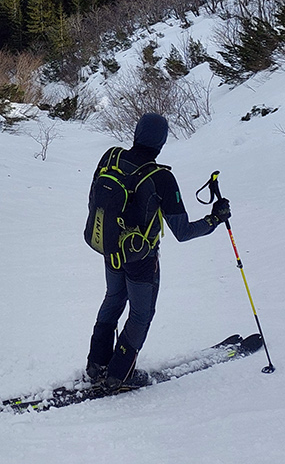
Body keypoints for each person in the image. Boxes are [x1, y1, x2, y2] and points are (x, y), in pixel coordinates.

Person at [84, 112, 230, 391]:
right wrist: (215, 219)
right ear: (162, 142)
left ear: (136, 133)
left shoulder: (110, 157)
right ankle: (119, 375)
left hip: (110, 248)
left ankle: (96, 365)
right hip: (141, 258)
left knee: (113, 299)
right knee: (141, 314)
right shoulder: (161, 177)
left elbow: (94, 200)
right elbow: (183, 232)